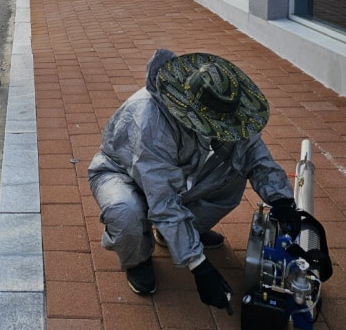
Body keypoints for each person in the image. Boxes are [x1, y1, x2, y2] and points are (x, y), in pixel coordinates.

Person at [88, 49, 301, 307]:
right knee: (126, 212)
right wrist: (199, 266)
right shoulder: (149, 121)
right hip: (120, 173)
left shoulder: (223, 110)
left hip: (172, 175)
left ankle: (176, 235)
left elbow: (253, 154)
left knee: (234, 175)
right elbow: (163, 201)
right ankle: (138, 258)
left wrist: (282, 200)